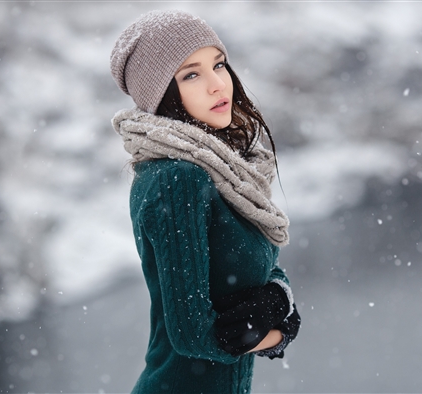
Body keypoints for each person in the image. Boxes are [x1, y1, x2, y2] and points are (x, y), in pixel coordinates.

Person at [109, 10, 301, 393]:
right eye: (191, 74)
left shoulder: (221, 171)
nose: (218, 85)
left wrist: (276, 297)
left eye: (219, 64)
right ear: (162, 94)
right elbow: (196, 337)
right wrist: (279, 325)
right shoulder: (177, 179)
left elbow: (261, 269)